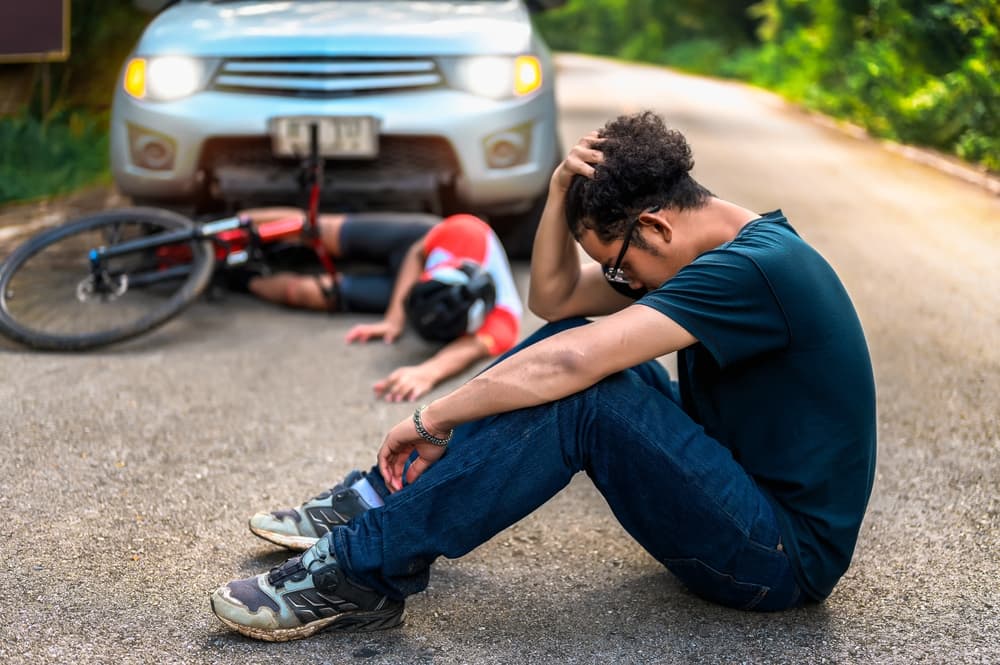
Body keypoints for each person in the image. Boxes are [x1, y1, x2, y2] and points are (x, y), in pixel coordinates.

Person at [210, 111, 877, 641]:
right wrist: (560, 187)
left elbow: (570, 367)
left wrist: (433, 416)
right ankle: (384, 496)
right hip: (741, 491)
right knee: (573, 343)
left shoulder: (751, 272)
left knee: (586, 391)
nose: (617, 283)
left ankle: (364, 566)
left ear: (652, 226)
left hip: (780, 556)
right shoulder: (705, 249)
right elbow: (555, 302)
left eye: (616, 267)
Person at [233, 210, 522, 402]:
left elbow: (468, 350)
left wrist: (426, 372)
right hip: (413, 246)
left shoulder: (504, 321)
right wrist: (393, 319)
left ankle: (238, 279)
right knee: (316, 229)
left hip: (416, 288)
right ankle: (228, 225)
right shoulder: (466, 232)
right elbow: (415, 253)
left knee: (309, 294)